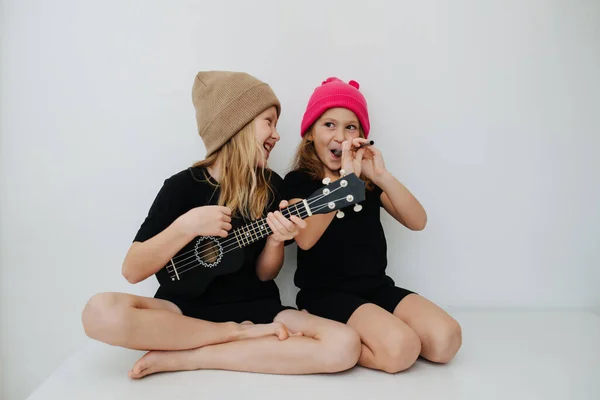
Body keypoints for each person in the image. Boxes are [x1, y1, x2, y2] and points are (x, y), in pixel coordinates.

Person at [81, 71, 361, 379]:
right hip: (184, 312)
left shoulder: (270, 187)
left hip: (256, 308)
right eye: (268, 121)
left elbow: (266, 274)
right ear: (236, 125)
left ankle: (193, 357)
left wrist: (275, 240)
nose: (277, 135)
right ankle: (231, 336)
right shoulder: (182, 187)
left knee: (344, 345)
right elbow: (132, 270)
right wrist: (187, 225)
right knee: (99, 312)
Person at [282, 77, 462, 373]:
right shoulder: (298, 181)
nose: (340, 135)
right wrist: (344, 183)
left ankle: (383, 334)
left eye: (350, 126)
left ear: (360, 135)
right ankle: (334, 338)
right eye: (329, 124)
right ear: (310, 134)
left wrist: (381, 176)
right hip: (327, 294)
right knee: (401, 350)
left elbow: (418, 221)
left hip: (376, 288)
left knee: (447, 340)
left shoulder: (366, 183)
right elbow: (305, 240)